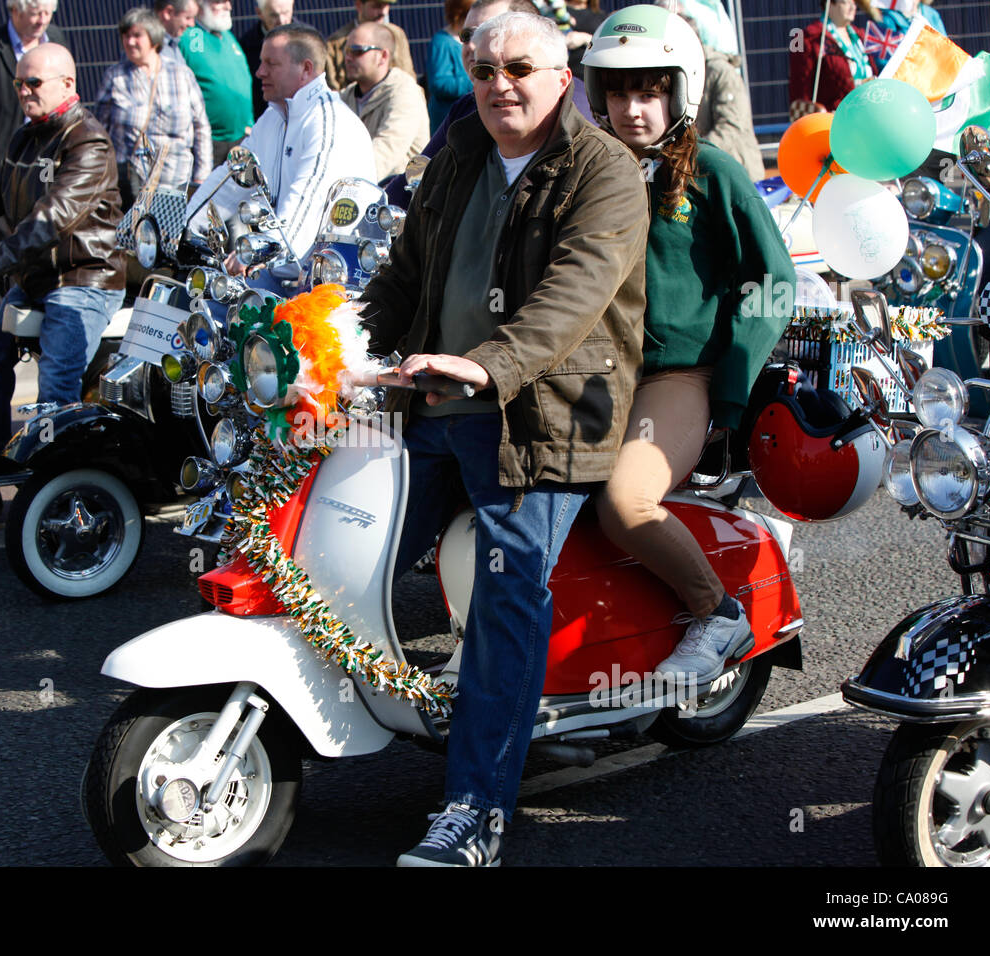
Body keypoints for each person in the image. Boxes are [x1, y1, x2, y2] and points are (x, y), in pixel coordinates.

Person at [358, 10, 648, 866]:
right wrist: (344, 345)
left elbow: (573, 293)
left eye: (520, 68)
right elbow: (404, 274)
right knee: (342, 548)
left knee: (506, 593)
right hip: (432, 406)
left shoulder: (604, 170)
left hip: (542, 413)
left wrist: (490, 365)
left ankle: (476, 809)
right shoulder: (456, 157)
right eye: (484, 71)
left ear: (564, 76)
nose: (499, 85)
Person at [582, 6, 793, 684]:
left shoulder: (715, 174)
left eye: (648, 90)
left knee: (625, 503)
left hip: (678, 377)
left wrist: (731, 388)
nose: (632, 108)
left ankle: (716, 613)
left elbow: (773, 281)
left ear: (682, 90)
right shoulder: (585, 175)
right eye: (617, 91)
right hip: (594, 377)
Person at [0, 44, 124, 521]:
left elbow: (49, 221)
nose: (24, 91)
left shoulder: (87, 143)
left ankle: (64, 507)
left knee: (55, 389)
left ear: (68, 85)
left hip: (83, 278)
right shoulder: (23, 139)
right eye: (19, 84)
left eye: (34, 83)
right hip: (36, 278)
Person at [185, 25, 376, 269]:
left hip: (328, 279)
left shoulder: (328, 122)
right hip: (285, 271)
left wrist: (262, 250)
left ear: (305, 69)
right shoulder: (272, 118)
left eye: (271, 64)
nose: (259, 72)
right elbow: (233, 178)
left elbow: (307, 204)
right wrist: (185, 227)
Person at [0, 0, 67, 313]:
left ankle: (41, 316)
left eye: (47, 14)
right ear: (14, 11)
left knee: (44, 241)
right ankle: (2, 321)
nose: (42, 21)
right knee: (0, 252)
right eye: (35, 14)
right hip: (4, 169)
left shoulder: (55, 38)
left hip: (49, 165)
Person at [382, 0, 539, 208]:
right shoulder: (467, 106)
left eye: (486, 32)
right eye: (466, 36)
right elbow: (420, 174)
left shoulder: (558, 102)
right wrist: (375, 208)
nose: (471, 44)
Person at [94, 8, 211, 209]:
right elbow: (99, 131)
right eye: (126, 35)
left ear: (154, 38)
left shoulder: (181, 75)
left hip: (175, 182)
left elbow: (201, 127)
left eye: (137, 35)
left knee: (171, 238)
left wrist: (202, 177)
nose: (130, 42)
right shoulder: (115, 76)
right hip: (131, 186)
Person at [656, 0, 763, 181]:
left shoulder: (720, 71)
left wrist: (684, 155)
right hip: (694, 172)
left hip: (736, 174)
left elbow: (730, 128)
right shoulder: (664, 74)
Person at [340, 22, 428, 180]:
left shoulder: (404, 91)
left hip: (401, 197)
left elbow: (386, 151)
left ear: (383, 56)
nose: (347, 58)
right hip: (361, 190)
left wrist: (345, 180)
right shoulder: (346, 96)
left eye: (357, 51)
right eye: (346, 51)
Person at [179, 0, 253, 167]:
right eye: (219, 2)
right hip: (209, 143)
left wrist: (248, 123)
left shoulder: (228, 36)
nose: (228, 7)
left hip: (241, 139)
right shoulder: (188, 37)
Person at [788, 0, 871, 121]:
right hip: (833, 121)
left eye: (854, 3)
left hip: (867, 115)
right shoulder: (809, 38)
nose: (853, 7)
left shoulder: (861, 36)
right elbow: (800, 89)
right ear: (829, 4)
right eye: (846, 2)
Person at [239, 0, 310, 119]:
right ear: (259, 13)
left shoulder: (309, 41)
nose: (282, 21)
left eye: (286, 13)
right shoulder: (246, 46)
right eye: (274, 15)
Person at [325, 0, 415, 91]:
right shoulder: (335, 44)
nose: (383, 12)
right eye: (377, 6)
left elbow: (409, 75)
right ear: (359, 6)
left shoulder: (397, 35)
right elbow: (334, 88)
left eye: (386, 6)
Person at [427, 0, 474, 135]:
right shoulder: (441, 42)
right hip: (448, 121)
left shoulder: (477, 39)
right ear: (460, 14)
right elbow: (439, 83)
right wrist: (476, 80)